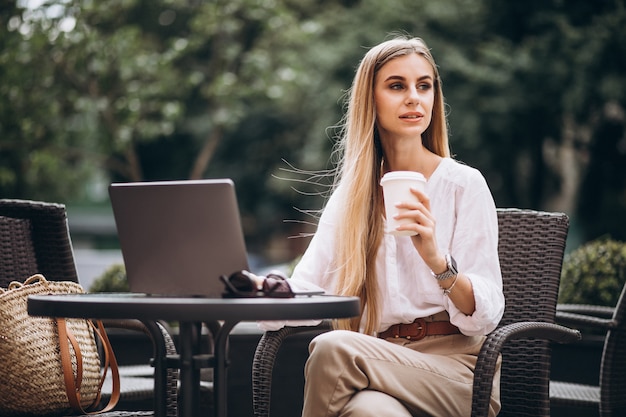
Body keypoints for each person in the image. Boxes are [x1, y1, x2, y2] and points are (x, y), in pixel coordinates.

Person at [259, 35, 505, 417]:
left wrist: (437, 260)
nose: (414, 97)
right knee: (371, 413)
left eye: (424, 86)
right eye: (397, 86)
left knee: (332, 347)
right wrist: (261, 287)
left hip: (457, 371)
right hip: (376, 359)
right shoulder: (353, 197)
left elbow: (488, 313)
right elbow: (309, 289)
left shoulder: (463, 185)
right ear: (369, 100)